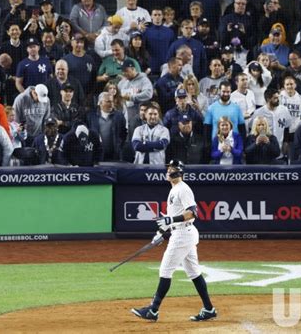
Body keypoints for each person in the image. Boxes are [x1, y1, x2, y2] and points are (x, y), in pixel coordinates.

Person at [131, 159, 216, 322]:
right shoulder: (174, 189)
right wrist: (161, 231)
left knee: (165, 270)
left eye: (171, 169)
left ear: (178, 172)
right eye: (168, 168)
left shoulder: (183, 189)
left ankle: (153, 310)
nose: (168, 171)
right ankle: (209, 309)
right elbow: (172, 218)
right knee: (194, 272)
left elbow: (193, 213)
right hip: (183, 233)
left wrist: (170, 221)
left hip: (183, 235)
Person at [252, 88, 293, 161]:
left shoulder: (284, 110)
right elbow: (253, 131)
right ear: (268, 99)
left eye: (278, 97)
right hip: (263, 150)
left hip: (280, 148)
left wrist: (286, 142)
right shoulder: (258, 113)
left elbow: (287, 128)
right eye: (275, 98)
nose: (278, 100)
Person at [86, 92, 127, 162]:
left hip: (115, 154)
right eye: (108, 102)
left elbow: (123, 133)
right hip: (96, 153)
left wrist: (119, 145)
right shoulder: (91, 116)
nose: (111, 104)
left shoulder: (119, 116)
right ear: (100, 103)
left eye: (112, 101)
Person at [144, 7, 175, 76]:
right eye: (155, 15)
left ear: (162, 16)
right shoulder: (146, 32)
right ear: (151, 16)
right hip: (151, 67)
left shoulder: (169, 32)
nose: (157, 17)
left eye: (159, 15)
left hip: (166, 67)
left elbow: (173, 50)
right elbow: (143, 49)